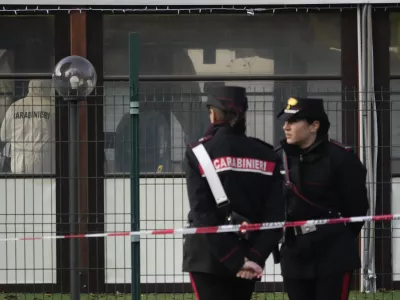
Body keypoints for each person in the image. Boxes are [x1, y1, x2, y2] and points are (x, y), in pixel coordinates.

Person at [182, 86, 285, 300]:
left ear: (213, 114)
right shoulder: (267, 154)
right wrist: (255, 257)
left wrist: (233, 259)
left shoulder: (198, 153)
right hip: (250, 252)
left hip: (208, 257)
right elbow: (275, 216)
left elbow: (202, 214)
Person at [274, 97, 369, 300]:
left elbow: (357, 208)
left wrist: (336, 235)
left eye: (293, 122)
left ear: (314, 126)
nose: (285, 127)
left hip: (333, 253)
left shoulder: (341, 158)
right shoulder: (280, 158)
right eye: (285, 122)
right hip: (294, 253)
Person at [0, 79, 56, 174]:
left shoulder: (14, 107)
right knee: (44, 187)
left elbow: (4, 136)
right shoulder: (51, 107)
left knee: (20, 188)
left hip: (18, 161)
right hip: (43, 162)